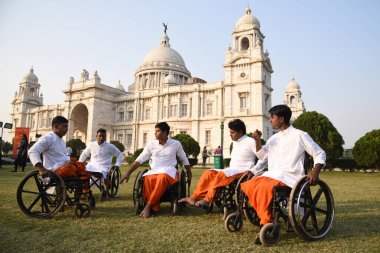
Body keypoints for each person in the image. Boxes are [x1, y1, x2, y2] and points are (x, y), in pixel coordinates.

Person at [240, 104, 326, 244]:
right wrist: (257, 141)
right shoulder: (274, 138)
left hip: (290, 176)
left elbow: (320, 153)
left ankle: (266, 224)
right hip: (274, 174)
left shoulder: (300, 135)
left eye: (272, 117)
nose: (269, 120)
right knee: (248, 185)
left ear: (281, 119)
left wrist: (315, 172)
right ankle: (267, 220)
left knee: (264, 188)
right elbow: (262, 156)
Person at [179, 119, 267, 208]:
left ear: (240, 132)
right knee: (208, 173)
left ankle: (207, 200)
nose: (230, 134)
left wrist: (253, 170)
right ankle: (194, 197)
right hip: (232, 170)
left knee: (221, 175)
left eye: (232, 132)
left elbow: (263, 158)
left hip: (243, 171)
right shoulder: (235, 142)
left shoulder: (250, 141)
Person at [120, 122, 192, 219]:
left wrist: (189, 173)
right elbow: (141, 158)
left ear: (165, 132)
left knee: (162, 177)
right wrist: (128, 173)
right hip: (154, 170)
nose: (155, 133)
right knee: (147, 179)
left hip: (169, 171)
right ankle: (155, 207)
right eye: (155, 131)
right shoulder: (151, 144)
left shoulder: (176, 144)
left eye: (157, 131)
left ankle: (148, 206)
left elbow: (184, 159)